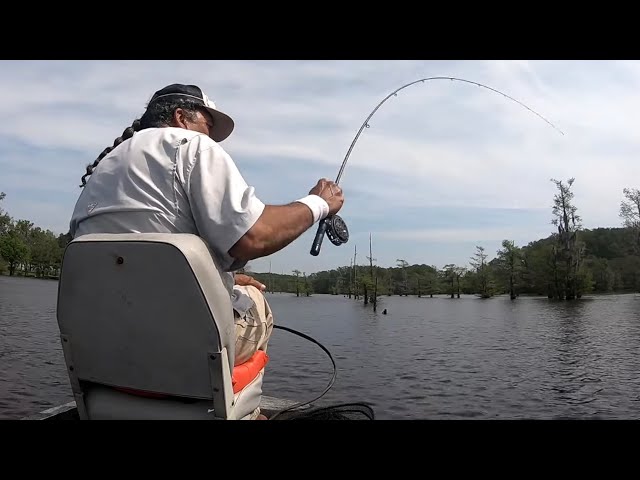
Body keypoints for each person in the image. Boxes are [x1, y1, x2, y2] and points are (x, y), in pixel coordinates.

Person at [68, 83, 345, 419]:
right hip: (182, 354)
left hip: (102, 351)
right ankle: (245, 412)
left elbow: (128, 258)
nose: (210, 136)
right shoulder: (191, 145)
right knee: (256, 302)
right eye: (208, 125)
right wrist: (319, 204)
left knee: (237, 287)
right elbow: (252, 237)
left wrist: (218, 274)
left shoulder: (104, 167)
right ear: (181, 117)